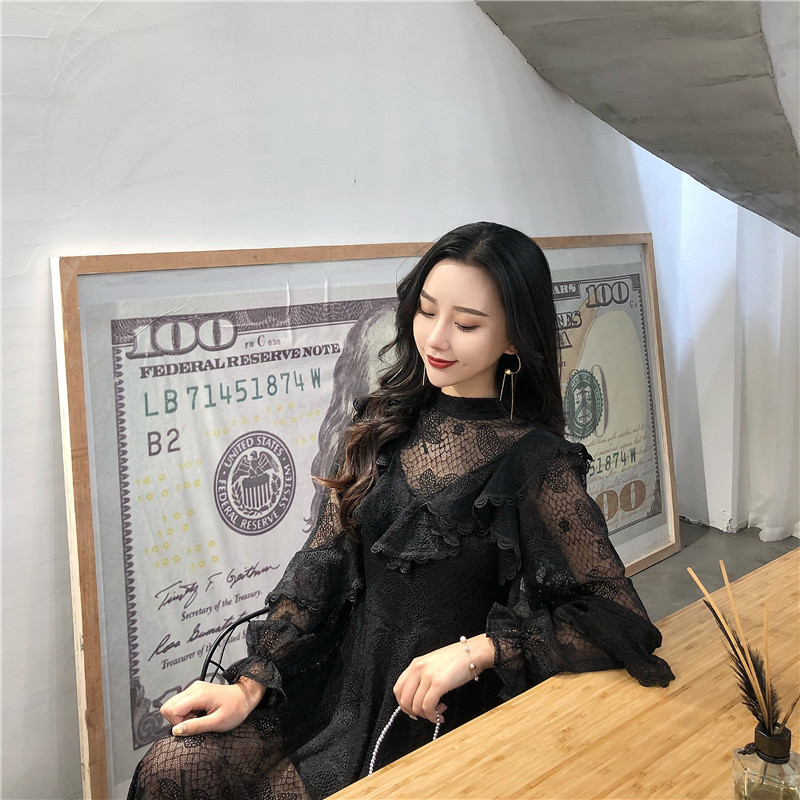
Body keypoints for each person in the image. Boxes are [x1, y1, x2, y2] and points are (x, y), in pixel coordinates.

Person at [128, 222, 674, 800]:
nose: (436, 337)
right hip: (341, 687)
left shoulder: (538, 463)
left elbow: (619, 617)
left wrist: (480, 651)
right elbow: (320, 564)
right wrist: (252, 682)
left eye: (466, 324)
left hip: (438, 714)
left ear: (514, 339)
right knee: (173, 767)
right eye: (426, 311)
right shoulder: (384, 424)